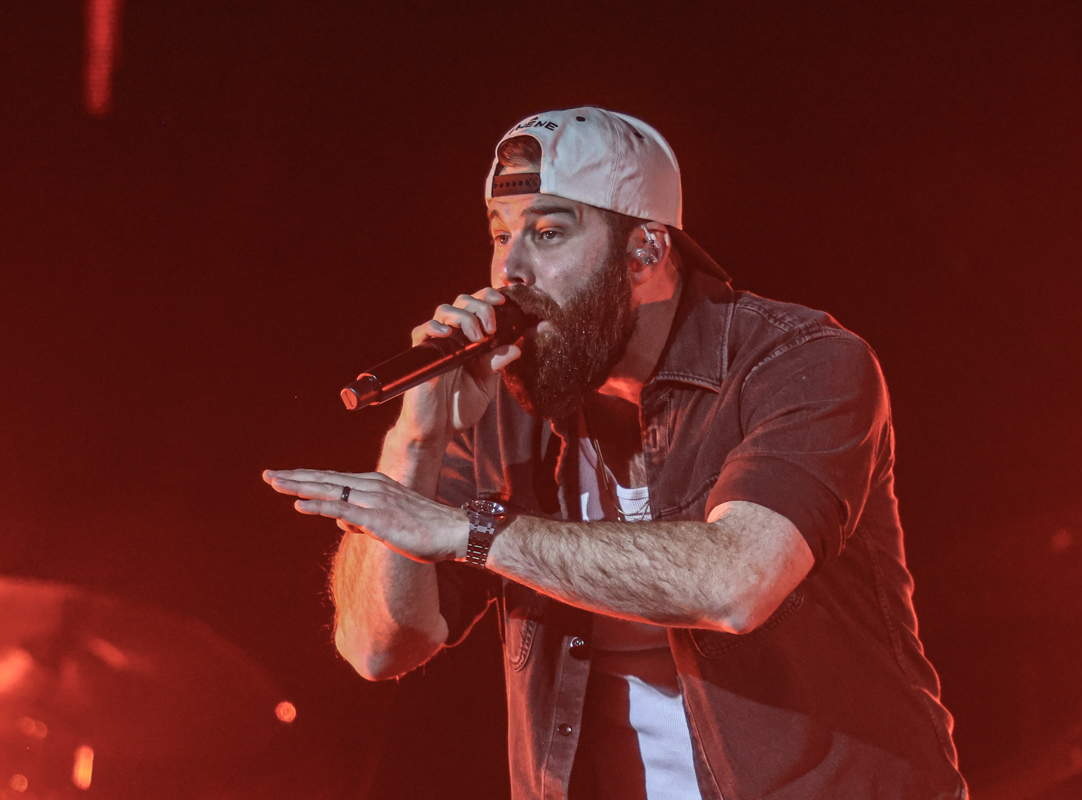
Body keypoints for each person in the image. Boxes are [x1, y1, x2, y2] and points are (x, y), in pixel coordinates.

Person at [265, 107, 967, 799]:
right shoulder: (504, 400)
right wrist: (417, 438)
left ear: (646, 252)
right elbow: (378, 648)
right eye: (501, 234)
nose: (510, 270)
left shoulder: (798, 361)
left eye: (547, 233)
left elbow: (736, 583)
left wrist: (471, 532)